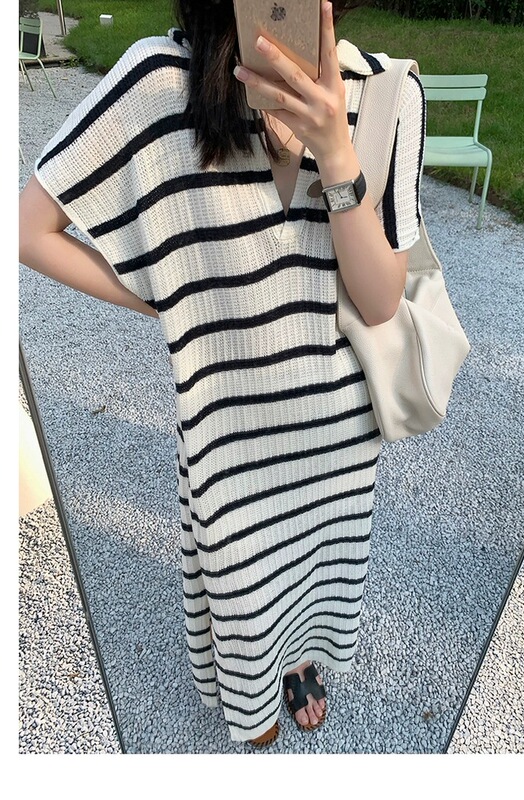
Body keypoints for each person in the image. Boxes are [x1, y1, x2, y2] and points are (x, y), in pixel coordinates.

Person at [19, 0, 425, 748]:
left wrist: (336, 151)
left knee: (316, 581)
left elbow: (378, 303)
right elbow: (28, 230)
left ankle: (298, 664)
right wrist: (172, 296)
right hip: (227, 436)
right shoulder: (158, 83)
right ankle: (252, 703)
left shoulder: (385, 93)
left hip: (340, 441)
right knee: (241, 588)